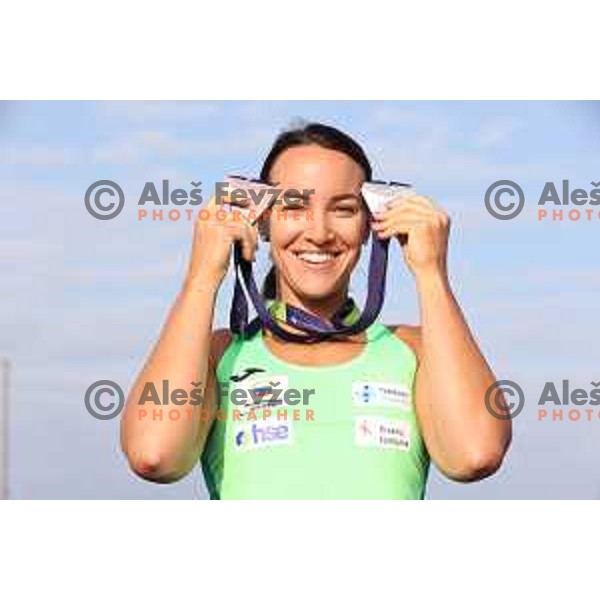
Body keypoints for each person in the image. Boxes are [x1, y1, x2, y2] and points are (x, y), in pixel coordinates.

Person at [120, 122, 511, 499]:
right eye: (294, 208)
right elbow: (155, 455)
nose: (320, 232)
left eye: (343, 209)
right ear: (263, 221)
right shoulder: (217, 355)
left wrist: (432, 275)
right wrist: (202, 275)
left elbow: (474, 454)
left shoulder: (416, 351)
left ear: (369, 226)